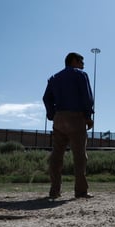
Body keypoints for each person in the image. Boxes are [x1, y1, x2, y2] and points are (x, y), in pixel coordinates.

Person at [43, 52, 94, 199]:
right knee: (79, 156)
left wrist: (52, 114)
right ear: (73, 61)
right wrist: (88, 116)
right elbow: (87, 97)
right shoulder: (80, 75)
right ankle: (80, 191)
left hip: (59, 118)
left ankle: (54, 190)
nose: (83, 65)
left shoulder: (54, 78)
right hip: (75, 118)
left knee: (57, 155)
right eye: (81, 61)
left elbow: (46, 98)